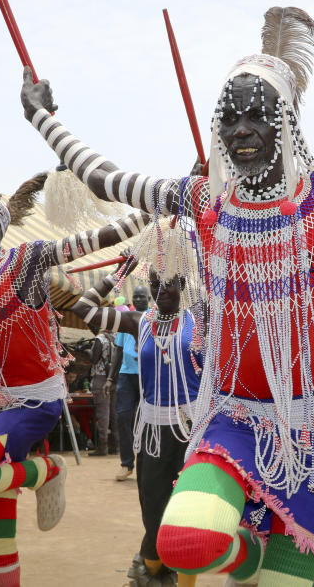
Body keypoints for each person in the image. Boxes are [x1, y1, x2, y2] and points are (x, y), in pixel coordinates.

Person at [21, 5, 314, 586]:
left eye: (257, 117)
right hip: (230, 418)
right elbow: (103, 177)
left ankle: (263, 560)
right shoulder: (204, 201)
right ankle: (247, 558)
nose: (240, 131)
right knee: (182, 541)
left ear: (286, 122)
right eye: (228, 119)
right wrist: (42, 116)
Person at [0, 183, 148, 587]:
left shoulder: (25, 260)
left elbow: (96, 239)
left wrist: (149, 211)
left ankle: (46, 470)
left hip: (32, 406)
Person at [71, 240, 201, 587]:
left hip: (194, 434)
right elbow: (84, 308)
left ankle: (166, 574)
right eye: (155, 283)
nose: (161, 291)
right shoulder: (138, 322)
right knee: (154, 513)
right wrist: (122, 271)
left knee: (189, 515)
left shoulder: (201, 319)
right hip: (154, 436)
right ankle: (153, 568)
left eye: (169, 283)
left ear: (184, 284)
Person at [114, 284, 149, 481]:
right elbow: (118, 350)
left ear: (148, 299)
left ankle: (145, 462)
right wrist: (111, 378)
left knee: (144, 420)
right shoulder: (125, 319)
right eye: (135, 297)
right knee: (122, 417)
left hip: (146, 375)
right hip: (126, 375)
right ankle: (126, 464)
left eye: (142, 297)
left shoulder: (153, 318)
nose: (138, 300)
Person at [88, 326, 119, 456]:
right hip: (113, 378)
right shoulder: (116, 339)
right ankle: (115, 445)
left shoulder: (100, 339)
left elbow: (94, 359)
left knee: (103, 413)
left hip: (100, 377)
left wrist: (88, 351)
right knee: (114, 413)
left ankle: (102, 445)